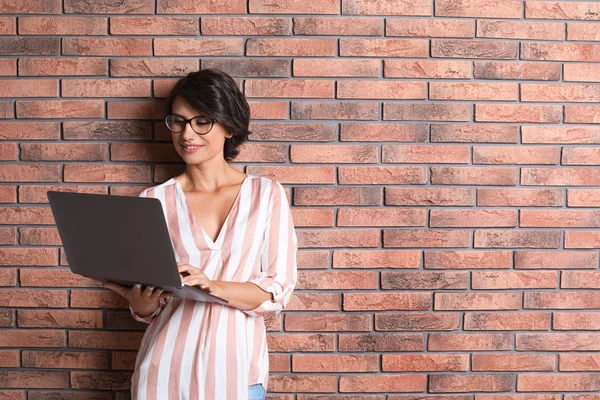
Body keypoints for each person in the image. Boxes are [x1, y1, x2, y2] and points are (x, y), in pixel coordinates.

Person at [102, 69, 298, 400]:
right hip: (163, 375)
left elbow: (276, 290)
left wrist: (213, 286)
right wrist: (143, 304)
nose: (187, 134)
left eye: (201, 121)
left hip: (237, 374)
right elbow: (151, 309)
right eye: (178, 122)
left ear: (230, 126)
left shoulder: (267, 195)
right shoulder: (154, 201)